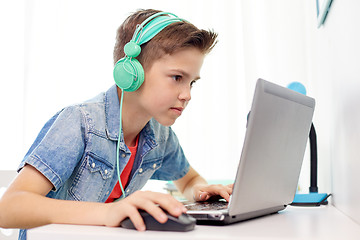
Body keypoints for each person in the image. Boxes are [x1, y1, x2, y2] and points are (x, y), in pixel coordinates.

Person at [0, 9, 233, 239]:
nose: (187, 95)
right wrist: (109, 212)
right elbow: (9, 208)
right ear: (131, 73)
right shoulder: (80, 123)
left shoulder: (160, 135)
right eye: (177, 78)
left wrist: (201, 192)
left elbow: (189, 180)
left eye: (192, 82)